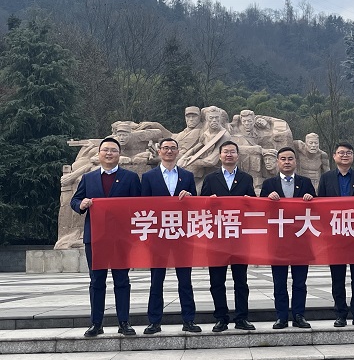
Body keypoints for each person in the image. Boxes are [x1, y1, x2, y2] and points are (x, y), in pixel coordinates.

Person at [70, 137, 141, 337]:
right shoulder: (88, 178)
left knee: (122, 280)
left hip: (121, 239)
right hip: (95, 238)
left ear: (119, 154)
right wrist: (81, 204)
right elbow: (75, 200)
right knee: (96, 281)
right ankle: (96, 323)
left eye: (113, 150)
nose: (109, 153)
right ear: (99, 153)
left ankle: (124, 322)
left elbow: (139, 205)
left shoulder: (130, 178)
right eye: (106, 150)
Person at [140, 138, 201, 335]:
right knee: (156, 280)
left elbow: (195, 205)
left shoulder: (187, 176)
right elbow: (143, 206)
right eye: (165, 148)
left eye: (173, 148)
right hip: (158, 236)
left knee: (185, 281)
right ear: (159, 151)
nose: (169, 151)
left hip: (182, 236)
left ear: (178, 151)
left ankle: (189, 320)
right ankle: (154, 321)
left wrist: (190, 198)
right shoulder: (148, 177)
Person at [200, 141, 257, 332]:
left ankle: (242, 318)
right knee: (217, 281)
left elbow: (254, 205)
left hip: (239, 237)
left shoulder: (246, 178)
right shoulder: (210, 178)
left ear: (238, 156)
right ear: (220, 156)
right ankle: (221, 318)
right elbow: (201, 205)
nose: (229, 155)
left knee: (241, 281)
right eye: (226, 152)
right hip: (216, 238)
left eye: (232, 152)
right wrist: (208, 202)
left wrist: (250, 201)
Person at [260, 147, 316, 329]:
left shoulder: (305, 182)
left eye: (290, 159)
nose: (286, 162)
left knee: (300, 282)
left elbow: (317, 209)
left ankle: (299, 316)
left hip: (301, 240)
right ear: (278, 161)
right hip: (278, 242)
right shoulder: (269, 184)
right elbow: (260, 210)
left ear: (295, 161)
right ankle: (281, 317)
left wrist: (311, 198)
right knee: (279, 282)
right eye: (283, 159)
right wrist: (267, 198)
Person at [317, 142, 354, 328]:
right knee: (337, 278)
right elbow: (320, 205)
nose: (345, 156)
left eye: (348, 153)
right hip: (335, 236)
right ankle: (340, 314)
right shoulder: (326, 178)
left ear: (353, 156)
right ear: (334, 156)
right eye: (341, 153)